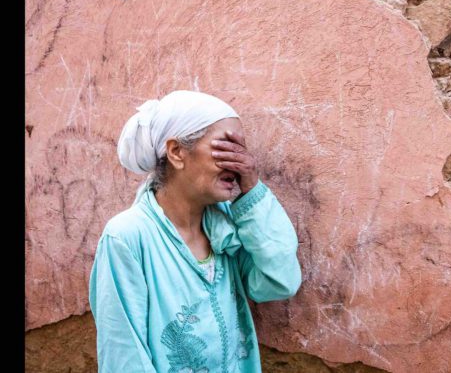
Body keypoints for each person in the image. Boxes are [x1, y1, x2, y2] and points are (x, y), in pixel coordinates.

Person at [88, 90, 302, 372]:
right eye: (226, 147)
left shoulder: (224, 228)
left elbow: (280, 281)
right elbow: (124, 356)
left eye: (241, 150)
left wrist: (251, 190)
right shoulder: (127, 237)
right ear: (177, 152)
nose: (239, 162)